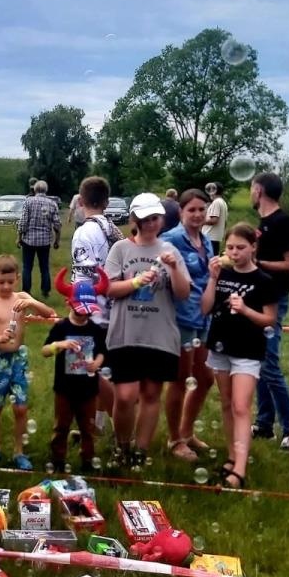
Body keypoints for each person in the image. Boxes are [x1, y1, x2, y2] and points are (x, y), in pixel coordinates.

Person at [104, 193, 191, 470]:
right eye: (147, 219)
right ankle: (122, 446)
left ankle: (140, 452)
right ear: (135, 220)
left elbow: (183, 293)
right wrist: (137, 281)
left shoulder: (170, 250)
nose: (153, 223)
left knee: (152, 394)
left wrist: (175, 267)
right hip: (125, 333)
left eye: (156, 218)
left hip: (160, 335)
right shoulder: (120, 249)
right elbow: (108, 289)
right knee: (126, 396)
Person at [200, 224, 278, 488]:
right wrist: (212, 278)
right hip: (220, 345)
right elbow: (205, 308)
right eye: (230, 247)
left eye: (241, 248)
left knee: (241, 406)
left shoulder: (264, 281)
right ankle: (232, 456)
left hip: (248, 349)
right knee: (226, 403)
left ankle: (240, 470)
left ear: (253, 248)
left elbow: (270, 319)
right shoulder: (221, 274)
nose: (234, 253)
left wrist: (245, 310)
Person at [0, 254, 55, 472]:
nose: (5, 286)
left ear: (18, 279)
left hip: (18, 359)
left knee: (21, 408)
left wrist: (31, 302)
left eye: (10, 282)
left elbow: (49, 313)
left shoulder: (21, 298)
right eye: (1, 282)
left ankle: (19, 451)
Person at [162, 189, 215, 462]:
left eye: (201, 210)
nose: (197, 215)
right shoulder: (170, 240)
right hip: (180, 318)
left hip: (204, 317)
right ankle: (175, 440)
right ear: (181, 212)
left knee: (205, 378)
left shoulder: (206, 242)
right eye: (192, 210)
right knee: (181, 380)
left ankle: (187, 430)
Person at [250, 172, 289, 450]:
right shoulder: (264, 222)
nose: (250, 193)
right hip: (259, 296)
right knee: (258, 362)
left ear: (259, 190)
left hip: (275, 297)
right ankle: (265, 423)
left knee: (269, 363)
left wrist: (260, 263)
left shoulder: (283, 222)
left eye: (251, 188)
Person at [70, 175, 122, 431]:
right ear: (107, 202)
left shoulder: (84, 232)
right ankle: (97, 424)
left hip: (91, 310)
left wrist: (78, 312)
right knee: (106, 368)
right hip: (114, 310)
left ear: (80, 201)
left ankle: (118, 425)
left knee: (84, 370)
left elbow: (84, 276)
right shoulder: (114, 229)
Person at [42, 272, 108, 472]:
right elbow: (45, 351)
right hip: (64, 388)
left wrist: (97, 363)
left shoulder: (96, 329)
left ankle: (88, 461)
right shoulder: (61, 327)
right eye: (80, 311)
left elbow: (103, 352)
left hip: (88, 390)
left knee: (87, 428)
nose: (84, 315)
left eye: (88, 312)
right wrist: (59, 345)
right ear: (68, 303)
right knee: (61, 426)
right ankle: (58, 459)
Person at [17, 180, 61, 297]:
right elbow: (57, 224)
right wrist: (57, 240)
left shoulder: (28, 202)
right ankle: (45, 291)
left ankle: (26, 291)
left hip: (29, 240)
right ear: (46, 190)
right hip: (45, 241)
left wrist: (19, 237)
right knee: (44, 267)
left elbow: (23, 222)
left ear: (34, 190)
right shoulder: (52, 203)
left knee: (27, 266)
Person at [204, 182, 228, 249]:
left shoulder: (216, 202)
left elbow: (214, 220)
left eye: (211, 189)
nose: (210, 191)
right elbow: (224, 222)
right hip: (215, 237)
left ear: (214, 191)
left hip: (210, 236)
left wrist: (200, 222)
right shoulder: (223, 202)